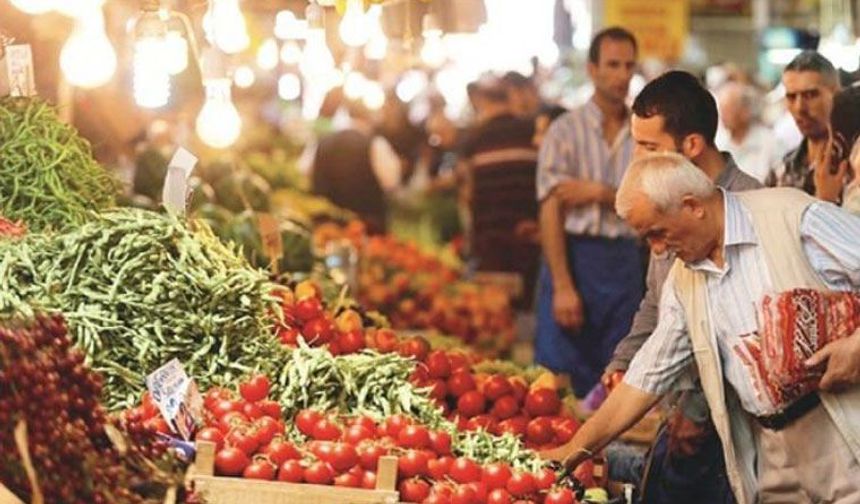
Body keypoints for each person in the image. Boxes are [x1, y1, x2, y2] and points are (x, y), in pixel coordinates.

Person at [544, 152, 860, 504]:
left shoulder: (792, 217)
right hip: (771, 449)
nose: (659, 250)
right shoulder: (685, 279)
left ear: (693, 206)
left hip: (840, 430)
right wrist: (575, 450)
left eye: (658, 234)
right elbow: (647, 376)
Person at [603, 70, 761, 504]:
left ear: (691, 145)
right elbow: (657, 301)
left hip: (735, 429)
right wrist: (625, 359)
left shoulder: (749, 207)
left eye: (649, 147)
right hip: (678, 412)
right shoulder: (661, 199)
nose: (637, 158)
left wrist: (696, 410)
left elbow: (741, 335)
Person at [534, 26, 642, 397]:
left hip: (626, 265)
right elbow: (550, 211)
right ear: (592, 70)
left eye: (629, 65)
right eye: (612, 65)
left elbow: (649, 208)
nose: (622, 75)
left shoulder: (643, 134)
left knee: (618, 380)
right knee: (559, 385)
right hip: (573, 258)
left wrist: (598, 193)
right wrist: (563, 285)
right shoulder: (564, 132)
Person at [459, 80, 540, 307]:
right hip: (528, 241)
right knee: (525, 313)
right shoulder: (531, 131)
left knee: (493, 317)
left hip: (489, 244)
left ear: (482, 102)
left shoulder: (474, 139)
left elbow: (467, 194)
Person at [310, 99, 401, 234]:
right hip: (366, 229)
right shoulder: (376, 144)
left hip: (326, 227)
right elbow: (391, 183)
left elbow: (305, 170)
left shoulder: (323, 141)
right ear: (368, 117)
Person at [771, 51, 841, 197]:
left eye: (810, 95)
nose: (799, 108)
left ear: (836, 94)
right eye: (791, 97)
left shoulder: (853, 164)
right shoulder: (783, 170)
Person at [715, 82, 781, 184]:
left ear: (745, 112)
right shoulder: (719, 143)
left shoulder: (770, 142)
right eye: (721, 110)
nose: (723, 116)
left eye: (728, 110)